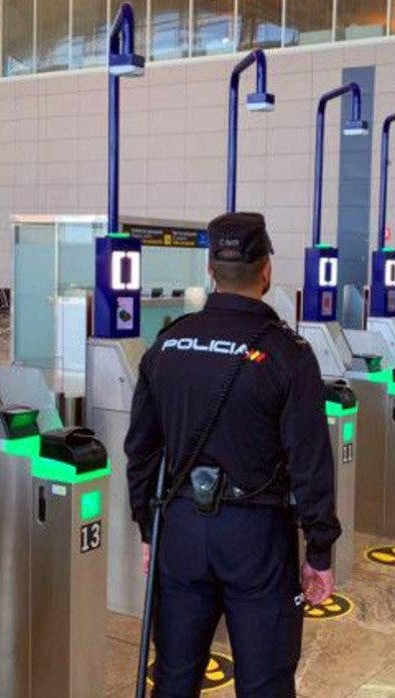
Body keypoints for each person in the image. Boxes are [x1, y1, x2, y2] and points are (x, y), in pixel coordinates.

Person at [125, 211, 340, 697]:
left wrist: (148, 527)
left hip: (179, 529)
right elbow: (310, 461)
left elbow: (141, 450)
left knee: (175, 677)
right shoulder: (288, 353)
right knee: (264, 681)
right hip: (256, 536)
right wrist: (320, 550)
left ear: (210, 270)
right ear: (266, 271)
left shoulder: (167, 345)